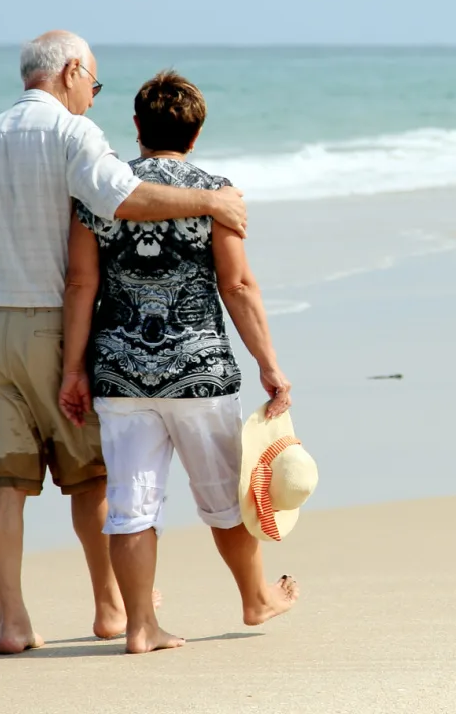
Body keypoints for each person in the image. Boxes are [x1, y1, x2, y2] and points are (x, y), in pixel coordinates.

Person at [0, 31, 247, 655]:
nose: (92, 96)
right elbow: (124, 199)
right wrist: (211, 200)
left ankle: (13, 622)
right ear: (72, 71)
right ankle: (113, 610)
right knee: (91, 477)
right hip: (52, 322)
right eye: (93, 83)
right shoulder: (73, 134)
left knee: (4, 478)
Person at [59, 70, 298, 654]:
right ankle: (255, 598)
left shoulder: (103, 192)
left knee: (131, 504)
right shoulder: (216, 192)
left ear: (136, 126)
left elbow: (80, 282)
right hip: (201, 373)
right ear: (195, 133)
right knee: (224, 498)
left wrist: (73, 368)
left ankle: (140, 626)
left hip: (120, 371)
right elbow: (237, 285)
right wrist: (269, 364)